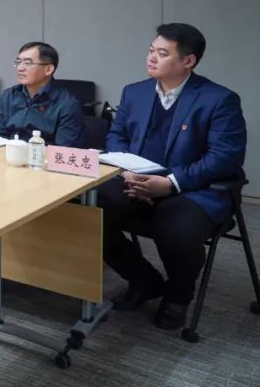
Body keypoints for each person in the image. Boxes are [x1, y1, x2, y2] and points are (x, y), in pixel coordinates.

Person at [98, 23, 246, 331]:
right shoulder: (135, 92)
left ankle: (179, 295)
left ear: (188, 60)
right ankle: (144, 281)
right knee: (88, 209)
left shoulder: (219, 99)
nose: (151, 58)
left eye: (162, 53)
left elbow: (224, 157)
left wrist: (170, 183)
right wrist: (127, 170)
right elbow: (117, 136)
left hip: (193, 190)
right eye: (151, 50)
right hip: (136, 181)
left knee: (175, 227)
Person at [0, 42, 84, 146]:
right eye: (18, 62)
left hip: (42, 155)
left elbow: (62, 150)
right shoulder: (8, 96)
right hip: (8, 153)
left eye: (27, 63)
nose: (20, 68)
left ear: (48, 69)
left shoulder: (67, 105)